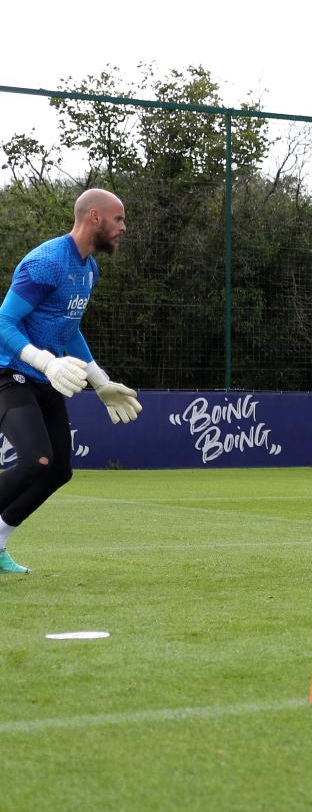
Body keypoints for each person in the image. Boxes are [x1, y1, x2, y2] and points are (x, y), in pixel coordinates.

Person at [0, 189, 143, 574]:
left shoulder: (89, 269)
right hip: (9, 374)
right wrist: (45, 361)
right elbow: (3, 322)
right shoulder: (46, 262)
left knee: (58, 470)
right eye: (118, 219)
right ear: (95, 217)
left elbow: (68, 328)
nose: (123, 227)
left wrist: (99, 381)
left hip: (46, 378)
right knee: (36, 461)